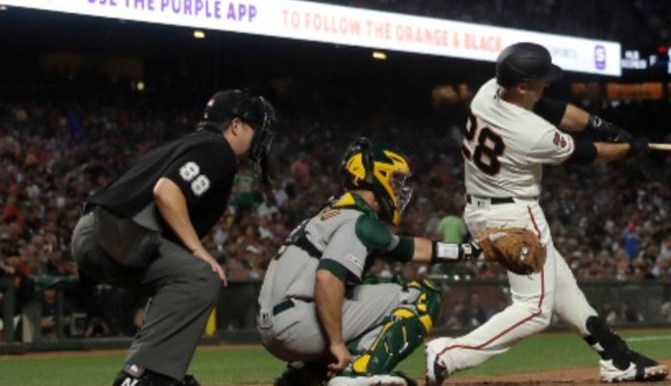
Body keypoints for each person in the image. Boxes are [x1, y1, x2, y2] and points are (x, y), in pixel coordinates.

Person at [425, 42, 668, 384]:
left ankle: (617, 357)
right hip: (514, 216)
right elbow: (587, 153)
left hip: (484, 208)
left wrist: (603, 124)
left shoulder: (487, 92)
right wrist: (630, 150)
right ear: (522, 86)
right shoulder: (531, 133)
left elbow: (554, 108)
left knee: (562, 288)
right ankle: (450, 354)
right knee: (535, 310)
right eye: (541, 79)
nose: (547, 83)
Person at [71, 89, 275, 386]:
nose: (259, 139)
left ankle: (149, 372)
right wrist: (199, 250)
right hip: (113, 234)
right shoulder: (218, 150)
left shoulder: (191, 143)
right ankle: (147, 377)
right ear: (235, 125)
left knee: (181, 278)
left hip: (99, 233)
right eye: (256, 128)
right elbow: (166, 192)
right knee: (200, 276)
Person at [258, 138, 479, 386]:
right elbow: (327, 278)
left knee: (365, 287)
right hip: (298, 322)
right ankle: (359, 375)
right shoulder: (356, 219)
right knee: (421, 296)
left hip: (275, 325)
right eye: (394, 180)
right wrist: (337, 345)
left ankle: (303, 377)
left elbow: (409, 248)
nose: (399, 190)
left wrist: (472, 250)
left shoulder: (333, 213)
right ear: (375, 177)